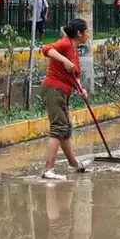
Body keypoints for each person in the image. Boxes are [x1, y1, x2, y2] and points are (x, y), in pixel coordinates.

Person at [40, 19, 91, 180]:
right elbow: (46, 49)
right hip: (54, 89)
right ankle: (49, 169)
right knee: (58, 128)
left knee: (66, 129)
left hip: (63, 92)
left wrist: (81, 90)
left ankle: (74, 164)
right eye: (87, 31)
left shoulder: (74, 50)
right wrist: (64, 60)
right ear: (79, 33)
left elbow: (73, 75)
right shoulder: (65, 43)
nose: (88, 34)